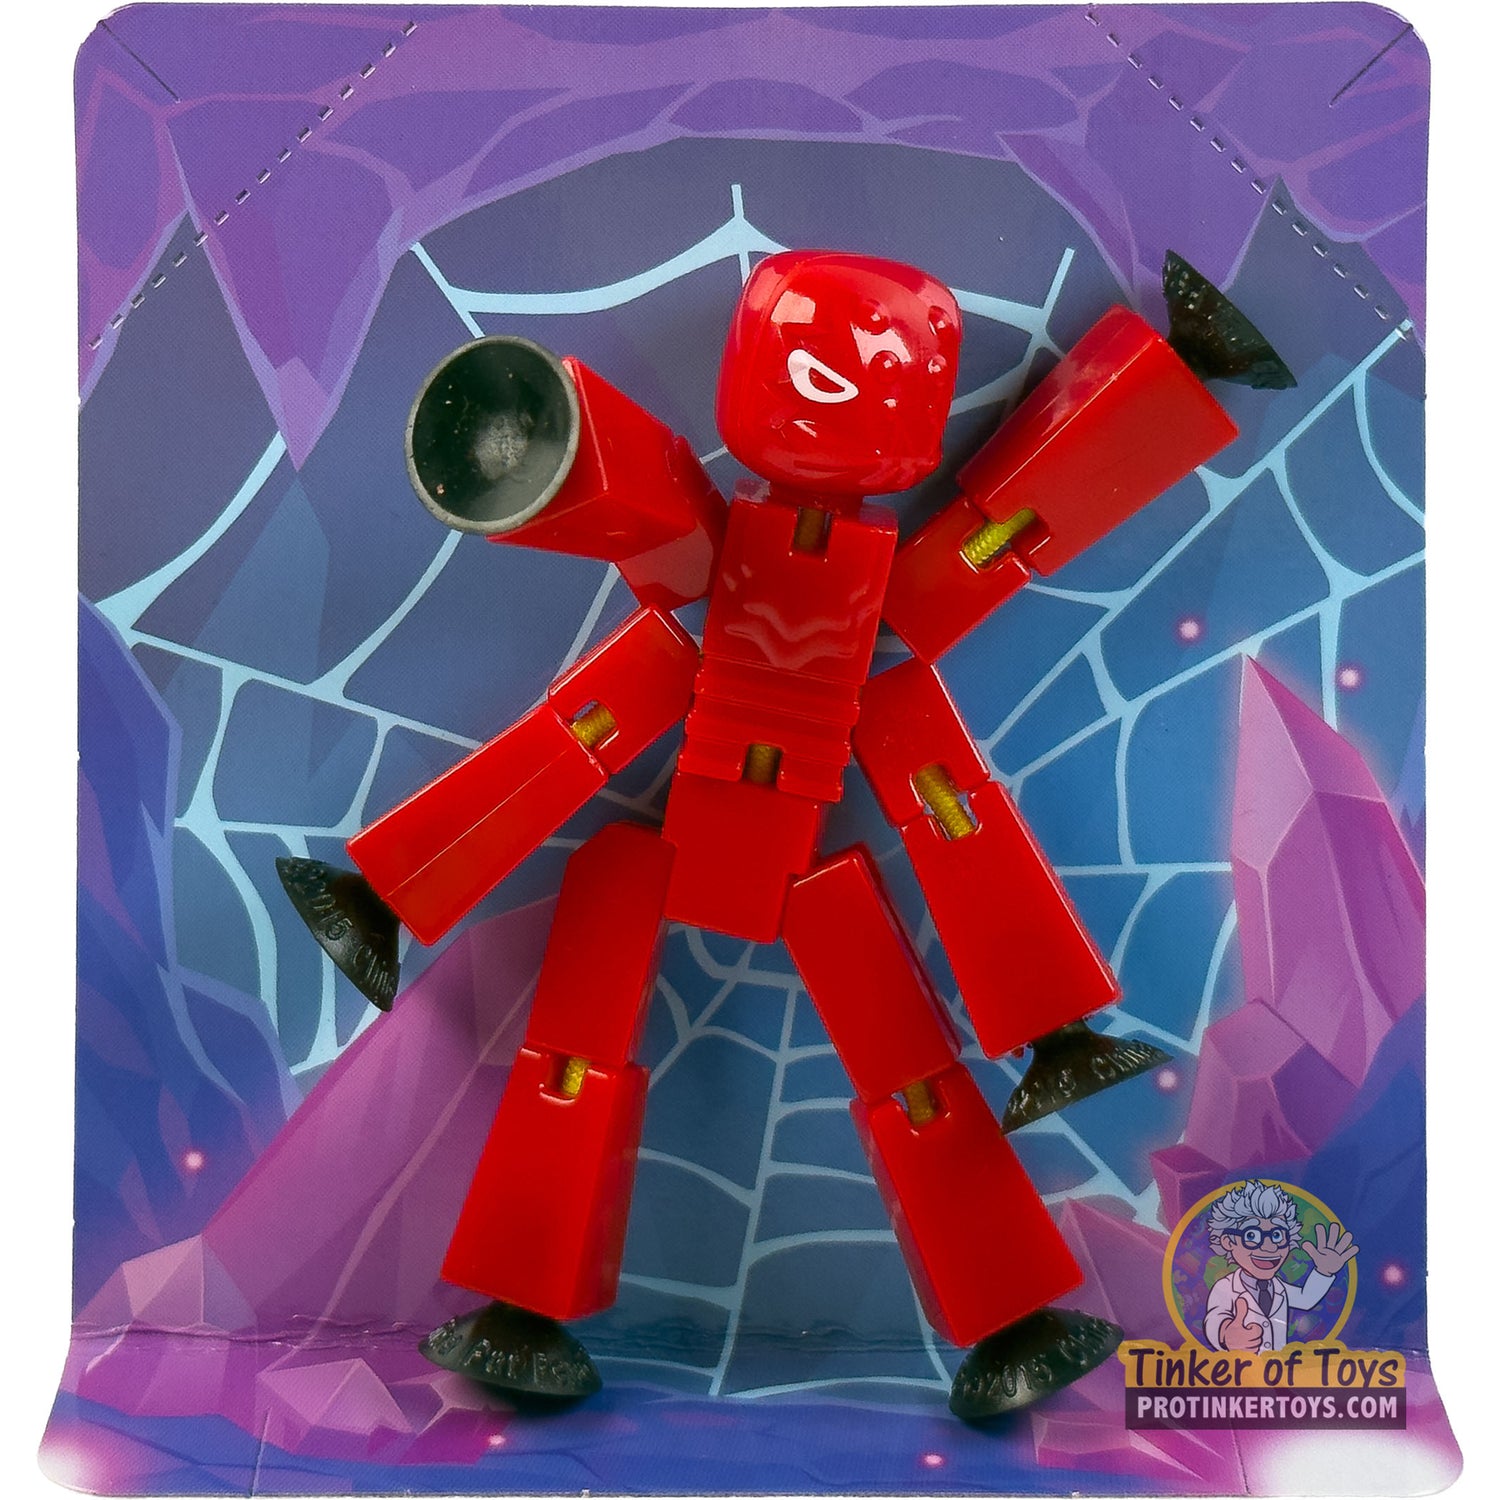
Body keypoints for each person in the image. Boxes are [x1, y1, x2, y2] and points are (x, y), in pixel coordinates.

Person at [1202, 1180, 1358, 1352]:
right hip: (1237, 1368)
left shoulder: (1277, 1287)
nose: (1269, 1247)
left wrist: (1323, 1272)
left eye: (1277, 1235)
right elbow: (1215, 1318)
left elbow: (1306, 1299)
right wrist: (1226, 1334)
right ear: (1228, 1241)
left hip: (1279, 1367)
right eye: (1252, 1235)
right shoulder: (1225, 1287)